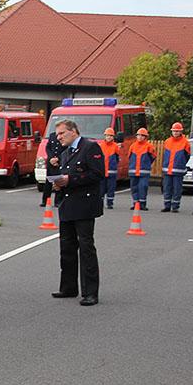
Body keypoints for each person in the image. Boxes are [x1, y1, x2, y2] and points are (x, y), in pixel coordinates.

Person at [51, 119, 103, 307]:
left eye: (62, 133)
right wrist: (58, 184)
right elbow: (65, 176)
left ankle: (90, 292)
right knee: (67, 247)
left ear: (73, 131)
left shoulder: (90, 147)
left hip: (84, 205)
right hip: (67, 204)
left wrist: (69, 180)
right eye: (57, 134)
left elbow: (97, 174)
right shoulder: (65, 153)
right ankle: (68, 287)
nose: (59, 137)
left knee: (86, 248)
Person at [160, 122, 191, 213]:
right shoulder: (167, 141)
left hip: (178, 170)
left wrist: (181, 164)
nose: (175, 133)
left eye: (177, 131)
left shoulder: (185, 142)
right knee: (167, 188)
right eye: (174, 131)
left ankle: (175, 206)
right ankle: (167, 205)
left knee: (177, 188)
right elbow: (165, 155)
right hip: (167, 169)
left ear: (181, 131)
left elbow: (187, 156)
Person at [127, 128, 155, 210]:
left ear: (145, 137)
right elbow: (129, 157)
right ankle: (136, 203)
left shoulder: (149, 146)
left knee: (143, 186)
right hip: (133, 171)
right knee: (134, 187)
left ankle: (142, 203)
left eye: (142, 135)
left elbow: (153, 156)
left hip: (144, 171)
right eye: (139, 135)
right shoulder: (133, 146)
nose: (140, 137)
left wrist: (146, 165)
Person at [41, 129, 63, 208]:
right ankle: (45, 200)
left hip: (60, 163)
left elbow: (66, 149)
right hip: (51, 162)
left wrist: (58, 159)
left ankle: (58, 201)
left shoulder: (64, 137)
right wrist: (51, 158)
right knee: (48, 183)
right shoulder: (52, 135)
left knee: (58, 181)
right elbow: (48, 147)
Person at [98, 127, 119, 209]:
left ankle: (110, 203)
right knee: (101, 188)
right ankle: (100, 202)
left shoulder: (115, 146)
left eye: (111, 136)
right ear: (105, 136)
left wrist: (114, 165)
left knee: (111, 188)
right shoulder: (100, 146)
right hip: (102, 171)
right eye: (107, 135)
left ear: (113, 137)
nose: (109, 137)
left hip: (112, 171)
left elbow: (117, 158)